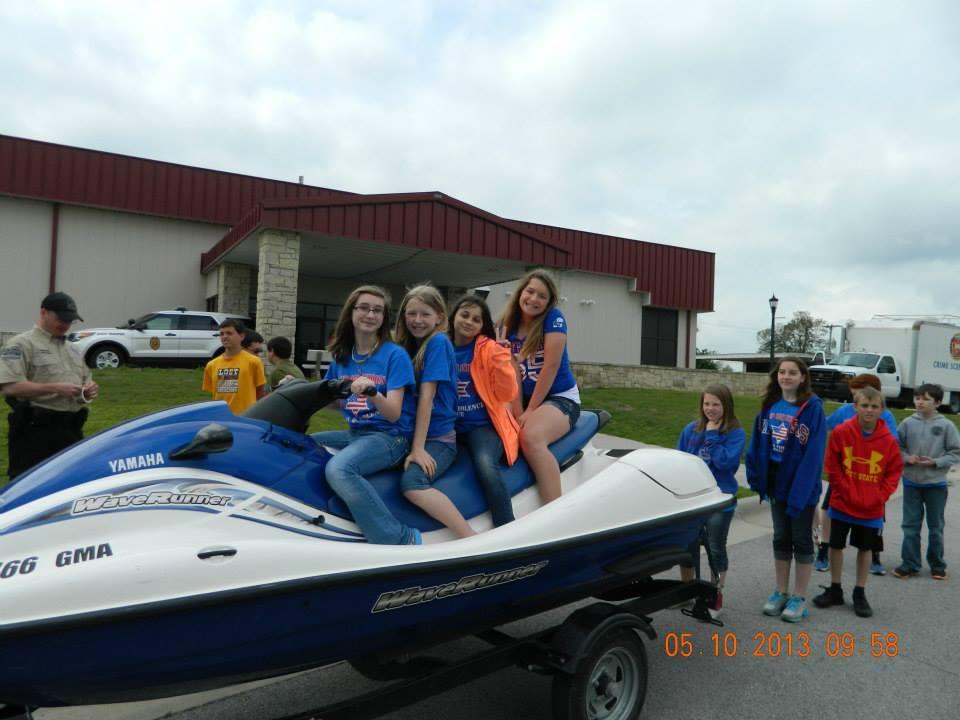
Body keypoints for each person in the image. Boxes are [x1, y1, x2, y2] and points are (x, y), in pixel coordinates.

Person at [312, 285, 421, 545]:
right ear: (351, 312)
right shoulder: (342, 357)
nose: (370, 315)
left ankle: (397, 538)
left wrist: (373, 393)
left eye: (377, 310)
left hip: (391, 437)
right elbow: (335, 402)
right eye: (364, 308)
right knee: (305, 443)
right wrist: (295, 389)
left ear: (384, 318)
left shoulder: (395, 355)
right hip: (356, 433)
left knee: (340, 468)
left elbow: (394, 413)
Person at [746, 357, 826, 623]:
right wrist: (757, 476)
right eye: (782, 372)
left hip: (800, 482)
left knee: (801, 539)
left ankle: (799, 597)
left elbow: (814, 454)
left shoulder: (812, 408)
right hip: (776, 481)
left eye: (793, 372)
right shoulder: (770, 405)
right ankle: (780, 591)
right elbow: (758, 443)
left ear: (803, 377)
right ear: (776, 376)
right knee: (781, 537)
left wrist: (802, 489)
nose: (787, 376)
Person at [814, 386, 902, 617]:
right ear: (855, 407)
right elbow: (832, 465)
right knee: (836, 546)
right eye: (864, 405)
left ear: (882, 409)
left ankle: (859, 592)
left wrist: (880, 496)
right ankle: (835, 589)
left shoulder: (889, 441)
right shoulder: (842, 432)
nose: (869, 410)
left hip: (872, 507)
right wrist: (843, 491)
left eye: (874, 406)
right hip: (843, 502)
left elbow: (893, 473)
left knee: (865, 549)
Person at [394, 285, 474, 538]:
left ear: (440, 316)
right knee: (323, 440)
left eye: (425, 314)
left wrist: (418, 449)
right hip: (407, 432)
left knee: (412, 484)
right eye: (411, 313)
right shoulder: (409, 346)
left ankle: (469, 538)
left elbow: (427, 398)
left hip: (438, 438)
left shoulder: (438, 342)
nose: (417, 320)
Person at [498, 269, 580, 504]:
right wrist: (517, 412)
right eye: (530, 291)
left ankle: (554, 509)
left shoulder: (554, 319)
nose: (534, 299)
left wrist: (531, 410)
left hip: (559, 397)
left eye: (541, 296)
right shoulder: (506, 324)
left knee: (531, 438)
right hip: (522, 398)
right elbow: (510, 372)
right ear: (521, 292)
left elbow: (551, 366)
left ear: (548, 302)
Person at [0, 292, 99, 481]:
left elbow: (84, 383)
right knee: (29, 487)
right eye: (61, 318)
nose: (66, 324)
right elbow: (10, 386)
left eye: (70, 320)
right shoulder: (21, 344)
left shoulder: (72, 350)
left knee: (69, 485)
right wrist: (55, 388)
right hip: (35, 432)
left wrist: (88, 391)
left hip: (71, 430)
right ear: (44, 313)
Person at [449, 294, 521, 527]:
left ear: (483, 325)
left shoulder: (488, 348)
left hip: (483, 425)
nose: (469, 321)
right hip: (449, 427)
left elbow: (507, 394)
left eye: (476, 319)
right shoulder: (441, 345)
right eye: (465, 315)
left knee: (484, 465)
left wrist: (502, 357)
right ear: (454, 316)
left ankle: (506, 525)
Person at [677, 384, 745, 617]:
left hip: (719, 499)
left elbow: (725, 464)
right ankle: (687, 592)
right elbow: (680, 460)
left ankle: (715, 596)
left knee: (715, 548)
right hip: (693, 499)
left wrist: (713, 436)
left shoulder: (735, 434)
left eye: (716, 404)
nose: (711, 409)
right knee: (687, 546)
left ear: (726, 406)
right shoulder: (691, 430)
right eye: (707, 403)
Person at [892, 383, 960, 580]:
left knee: (935, 527)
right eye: (917, 398)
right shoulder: (907, 423)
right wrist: (906, 458)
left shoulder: (946, 425)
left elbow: (955, 452)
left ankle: (937, 564)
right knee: (910, 525)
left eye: (926, 399)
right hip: (912, 482)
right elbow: (896, 446)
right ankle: (910, 563)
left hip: (936, 484)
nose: (920, 402)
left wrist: (936, 462)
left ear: (937, 403)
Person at [202, 319, 267, 414]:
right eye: (222, 334)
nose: (225, 337)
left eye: (229, 333)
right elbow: (214, 395)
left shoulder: (254, 361)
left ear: (241, 336)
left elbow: (260, 392)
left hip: (246, 417)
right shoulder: (212, 365)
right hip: (222, 416)